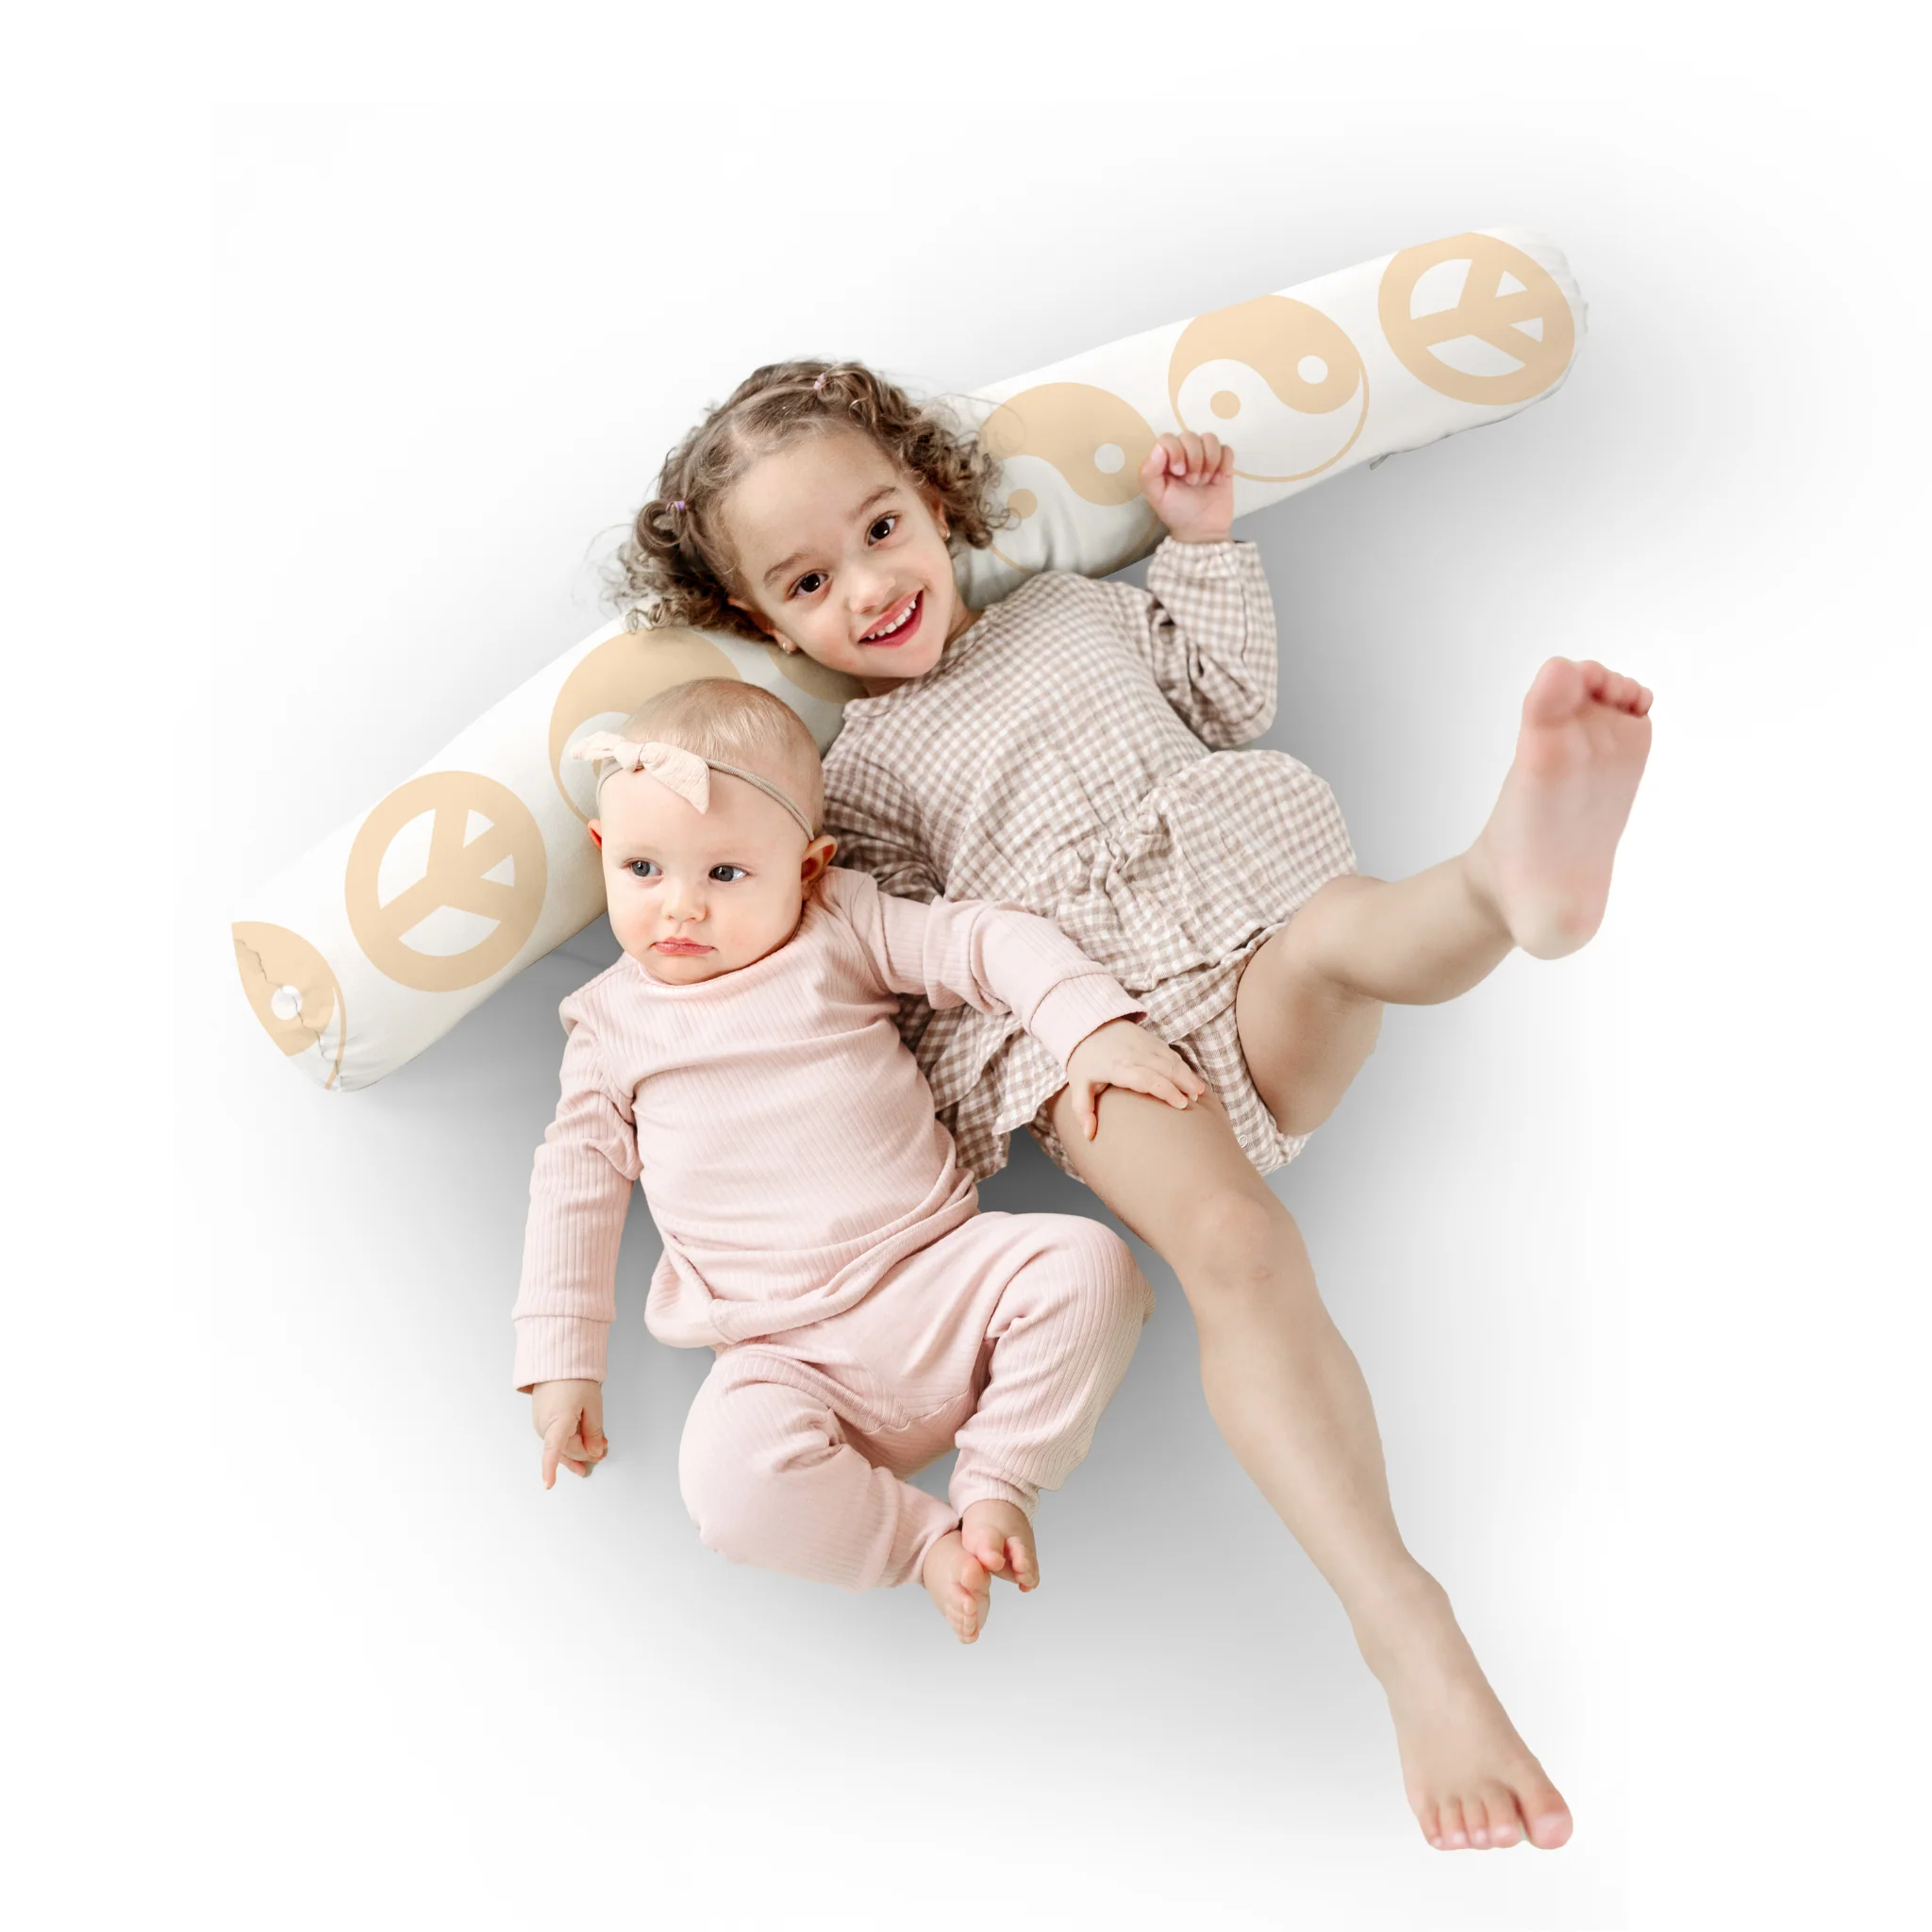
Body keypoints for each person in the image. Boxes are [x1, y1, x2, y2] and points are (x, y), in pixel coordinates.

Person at [612, 359, 1656, 1851]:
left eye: (882, 530)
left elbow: (1226, 693)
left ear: (937, 502)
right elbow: (902, 979)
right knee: (1236, 1244)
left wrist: (1204, 541)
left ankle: (1507, 889)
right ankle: (1406, 1628)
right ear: (764, 622)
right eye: (809, 581)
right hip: (1096, 1042)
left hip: (1248, 918)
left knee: (1347, 937)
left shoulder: (1069, 610)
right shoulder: (852, 788)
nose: (871, 588)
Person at [514, 676, 1204, 1642]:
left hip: (941, 1281)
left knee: (1091, 1266)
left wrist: (1086, 1024)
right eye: (641, 868)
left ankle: (1000, 1480)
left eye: (725, 873)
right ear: (602, 853)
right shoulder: (609, 1024)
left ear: (808, 868)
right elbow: (573, 1190)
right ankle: (924, 1546)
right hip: (782, 1358)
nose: (680, 908)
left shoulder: (838, 924)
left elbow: (982, 939)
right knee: (724, 1488)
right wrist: (560, 1364)